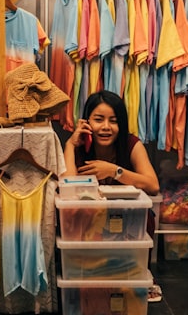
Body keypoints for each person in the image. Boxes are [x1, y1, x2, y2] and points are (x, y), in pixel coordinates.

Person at [62, 90, 163, 302]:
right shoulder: (79, 148)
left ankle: (132, 274)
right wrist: (70, 145)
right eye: (98, 120)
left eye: (113, 121)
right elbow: (68, 189)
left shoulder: (130, 144)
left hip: (126, 226)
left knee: (146, 217)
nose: (106, 127)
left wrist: (113, 170)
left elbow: (153, 185)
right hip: (90, 229)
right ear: (86, 121)